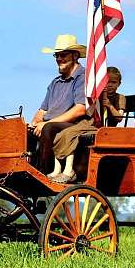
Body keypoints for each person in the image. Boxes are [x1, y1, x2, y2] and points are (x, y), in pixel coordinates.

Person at [48, 66, 126, 183]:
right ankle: (57, 169)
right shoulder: (99, 95)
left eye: (113, 82)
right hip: (91, 124)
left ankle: (69, 170)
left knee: (71, 134)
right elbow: (90, 111)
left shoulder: (120, 98)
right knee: (62, 134)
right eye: (107, 82)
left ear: (119, 83)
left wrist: (109, 105)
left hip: (105, 129)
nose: (110, 85)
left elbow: (119, 117)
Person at [29, 34, 88, 175]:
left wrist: (45, 124)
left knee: (48, 128)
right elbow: (42, 110)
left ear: (75, 56)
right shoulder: (55, 82)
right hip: (51, 125)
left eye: (63, 55)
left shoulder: (83, 78)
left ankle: (43, 172)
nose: (59, 59)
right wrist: (34, 122)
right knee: (25, 131)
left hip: (76, 125)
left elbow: (80, 110)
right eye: (57, 56)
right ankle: (24, 170)